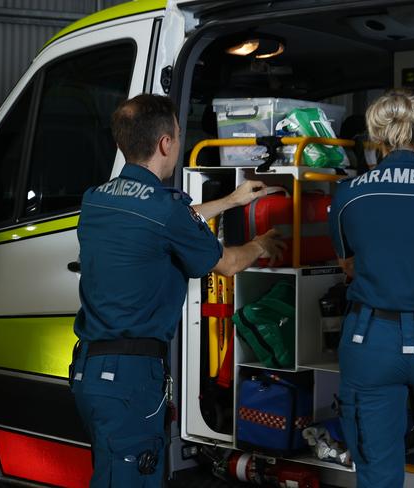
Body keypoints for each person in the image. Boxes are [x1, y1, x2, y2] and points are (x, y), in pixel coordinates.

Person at [69, 94, 285, 487]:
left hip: (90, 372)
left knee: (115, 472)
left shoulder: (96, 200)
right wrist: (262, 245)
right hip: (131, 378)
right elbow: (229, 264)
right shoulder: (165, 209)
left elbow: (164, 223)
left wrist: (230, 201)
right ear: (166, 144)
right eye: (179, 135)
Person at [328, 88, 414, 488]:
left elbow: (347, 264)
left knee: (378, 473)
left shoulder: (349, 195)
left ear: (378, 139)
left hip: (370, 340)